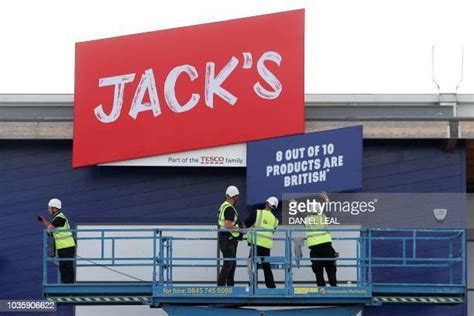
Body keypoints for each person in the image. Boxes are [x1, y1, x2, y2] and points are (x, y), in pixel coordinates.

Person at [37, 198, 76, 283]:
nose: (48, 210)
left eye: (49, 208)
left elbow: (50, 228)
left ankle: (70, 288)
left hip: (67, 246)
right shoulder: (56, 219)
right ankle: (67, 288)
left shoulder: (60, 218)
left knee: (67, 268)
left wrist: (45, 224)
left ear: (54, 208)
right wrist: (43, 221)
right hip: (63, 247)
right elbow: (51, 229)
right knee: (63, 268)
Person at [245, 196, 279, 288]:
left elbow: (246, 223)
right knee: (266, 266)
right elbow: (272, 231)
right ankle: (271, 286)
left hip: (256, 243)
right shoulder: (275, 220)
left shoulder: (258, 213)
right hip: (266, 245)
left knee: (252, 264)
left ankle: (252, 285)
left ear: (267, 203)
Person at [305, 192, 338, 287]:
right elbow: (329, 209)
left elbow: (299, 213)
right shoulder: (323, 217)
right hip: (327, 248)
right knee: (331, 269)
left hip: (315, 250)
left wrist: (294, 205)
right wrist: (326, 198)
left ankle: (321, 290)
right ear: (319, 209)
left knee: (318, 271)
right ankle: (334, 290)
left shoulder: (306, 219)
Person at [217, 185, 242, 286]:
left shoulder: (224, 206)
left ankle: (230, 286)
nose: (237, 199)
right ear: (234, 196)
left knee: (231, 264)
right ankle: (221, 288)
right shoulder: (229, 208)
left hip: (227, 239)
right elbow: (228, 224)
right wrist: (240, 229)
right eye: (237, 196)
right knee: (228, 264)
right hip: (227, 240)